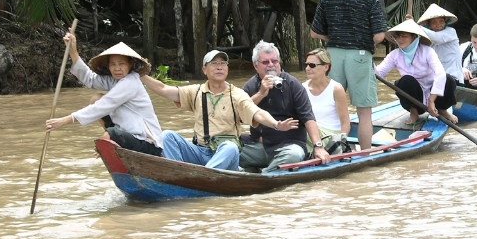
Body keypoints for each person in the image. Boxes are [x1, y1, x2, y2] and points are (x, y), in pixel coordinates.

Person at [140, 50, 298, 170]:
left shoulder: (236, 94)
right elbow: (163, 89)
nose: (219, 67)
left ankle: (204, 177)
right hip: (200, 151)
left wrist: (277, 124)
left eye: (223, 64)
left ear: (227, 69)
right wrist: (140, 75)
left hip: (224, 155)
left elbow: (257, 113)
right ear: (204, 70)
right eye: (214, 64)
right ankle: (176, 174)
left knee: (230, 147)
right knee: (167, 135)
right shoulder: (195, 92)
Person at [310, 0, 388, 150]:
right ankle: (365, 154)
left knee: (331, 106)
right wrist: (361, 39)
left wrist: (334, 38)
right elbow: (379, 36)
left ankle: (327, 149)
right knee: (364, 113)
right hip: (360, 57)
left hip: (332, 56)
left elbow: (314, 32)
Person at [46, 33, 163, 156]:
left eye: (121, 63)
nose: (117, 68)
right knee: (96, 99)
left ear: (130, 64)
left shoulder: (130, 83)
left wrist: (64, 120)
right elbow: (90, 79)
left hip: (147, 143)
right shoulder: (115, 81)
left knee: (110, 133)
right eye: (113, 64)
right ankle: (112, 141)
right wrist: (73, 52)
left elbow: (103, 106)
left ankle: (110, 141)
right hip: (129, 134)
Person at [241, 41, 331, 172]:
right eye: (265, 62)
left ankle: (262, 176)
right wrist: (260, 93)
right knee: (229, 149)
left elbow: (308, 118)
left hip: (288, 146)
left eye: (275, 61)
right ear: (255, 66)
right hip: (260, 146)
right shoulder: (250, 86)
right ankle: (260, 170)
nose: (271, 65)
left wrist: (318, 146)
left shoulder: (293, 84)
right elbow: (238, 115)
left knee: (293, 156)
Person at [374, 19, 459, 125]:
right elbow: (378, 74)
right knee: (405, 80)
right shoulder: (395, 55)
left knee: (448, 78)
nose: (400, 39)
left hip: (435, 97)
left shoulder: (427, 51)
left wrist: (431, 101)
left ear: (414, 37)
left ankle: (442, 110)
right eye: (398, 36)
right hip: (415, 99)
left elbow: (440, 73)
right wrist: (369, 59)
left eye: (404, 36)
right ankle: (413, 113)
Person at [302, 48, 351, 135]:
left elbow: (345, 123)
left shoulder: (336, 89)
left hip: (330, 134)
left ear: (326, 67)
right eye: (306, 65)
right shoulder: (303, 88)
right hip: (311, 132)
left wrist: (341, 140)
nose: (307, 68)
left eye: (312, 65)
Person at [416, 4, 463, 83]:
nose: (438, 24)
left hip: (453, 78)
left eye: (441, 21)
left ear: (445, 22)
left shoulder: (451, 32)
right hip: (436, 79)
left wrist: (416, 26)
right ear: (429, 25)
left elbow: (437, 38)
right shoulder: (427, 39)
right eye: (434, 22)